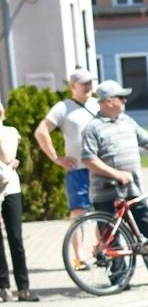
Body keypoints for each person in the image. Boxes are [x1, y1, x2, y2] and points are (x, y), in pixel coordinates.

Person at [79, 79, 148, 285]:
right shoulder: (93, 128)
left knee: (147, 227)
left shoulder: (127, 121)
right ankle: (120, 278)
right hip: (106, 191)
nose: (124, 101)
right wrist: (116, 174)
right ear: (108, 101)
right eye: (121, 97)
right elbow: (88, 159)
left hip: (132, 189)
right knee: (112, 235)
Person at [33, 68, 98, 269]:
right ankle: (79, 258)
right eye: (83, 83)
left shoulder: (97, 104)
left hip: (100, 167)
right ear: (73, 86)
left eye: (90, 82)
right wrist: (56, 158)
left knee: (104, 210)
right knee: (78, 213)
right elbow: (41, 131)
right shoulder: (63, 107)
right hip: (78, 169)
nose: (88, 87)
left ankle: (102, 249)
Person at [0, 101, 39, 302]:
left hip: (10, 187)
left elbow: (9, 158)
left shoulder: (10, 131)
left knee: (16, 238)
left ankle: (23, 287)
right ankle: (3, 287)